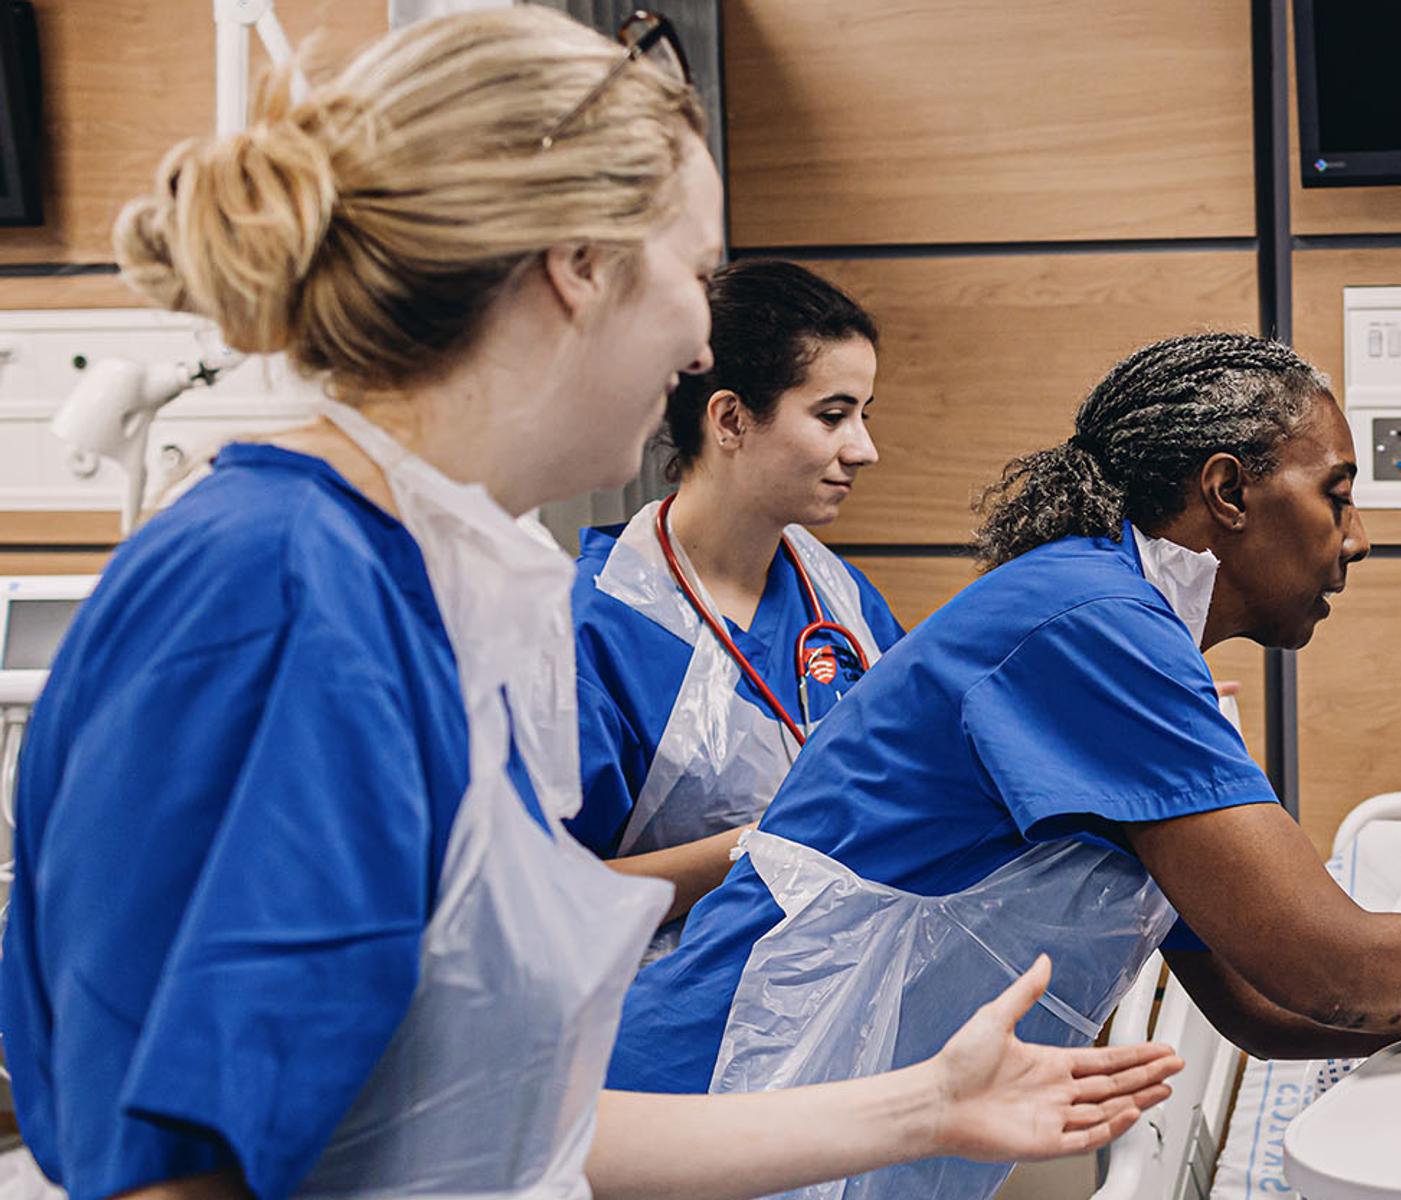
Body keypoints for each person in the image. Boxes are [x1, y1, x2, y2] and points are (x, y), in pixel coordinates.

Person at [0, 12, 1175, 1200]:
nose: (701, 334)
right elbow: (183, 1172)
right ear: (580, 266)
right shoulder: (278, 592)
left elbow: (506, 1134)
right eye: (695, 273)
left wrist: (928, 1106)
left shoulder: (444, 583)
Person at [610, 332, 1401, 1198]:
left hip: (824, 1117)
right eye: (1337, 493)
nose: (1356, 535)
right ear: (1226, 492)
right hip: (723, 1087)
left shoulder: (1125, 635)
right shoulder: (1091, 622)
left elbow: (1263, 1007)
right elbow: (1326, 965)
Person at [572, 259, 905, 956]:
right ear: (729, 418)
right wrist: (762, 849)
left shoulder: (842, 601)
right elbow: (546, 899)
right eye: (833, 415)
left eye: (863, 416)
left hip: (835, 1013)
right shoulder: (599, 628)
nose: (865, 449)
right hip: (657, 1036)